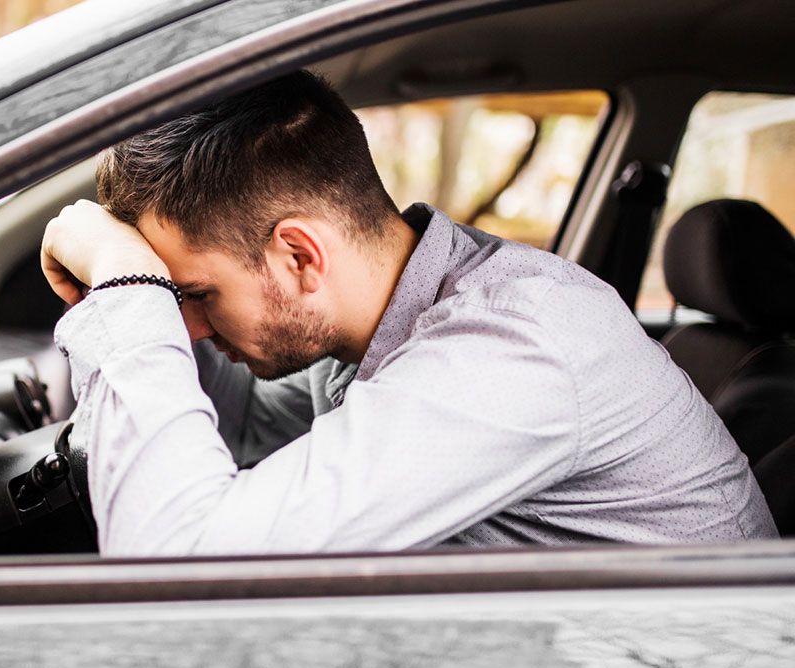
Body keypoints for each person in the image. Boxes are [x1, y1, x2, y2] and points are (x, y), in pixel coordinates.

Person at [39, 70, 777, 556]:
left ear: (300, 257)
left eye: (195, 296)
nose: (189, 327)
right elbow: (240, 427)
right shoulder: (385, 318)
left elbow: (174, 570)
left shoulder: (514, 345)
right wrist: (144, 287)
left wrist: (126, 294)